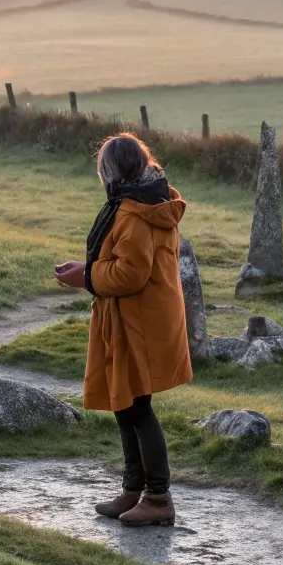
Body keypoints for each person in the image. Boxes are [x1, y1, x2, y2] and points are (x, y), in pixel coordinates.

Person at [54, 132, 191, 526]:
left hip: (139, 324)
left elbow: (131, 274)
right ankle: (134, 490)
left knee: (137, 406)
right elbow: (122, 261)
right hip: (136, 320)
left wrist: (87, 276)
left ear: (109, 172)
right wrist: (88, 269)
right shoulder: (146, 201)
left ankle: (159, 498)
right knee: (125, 402)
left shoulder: (134, 213)